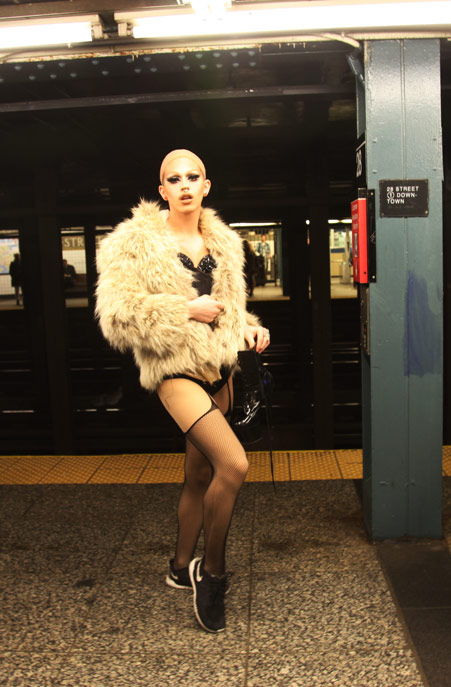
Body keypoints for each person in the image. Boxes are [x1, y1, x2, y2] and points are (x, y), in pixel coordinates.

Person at [95, 149, 270, 633]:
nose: (185, 185)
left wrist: (248, 328)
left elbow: (230, 308)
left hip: (222, 371)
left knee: (198, 475)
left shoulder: (225, 242)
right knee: (233, 465)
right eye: (175, 179)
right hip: (175, 371)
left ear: (206, 186)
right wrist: (183, 311)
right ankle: (211, 574)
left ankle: (177, 566)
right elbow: (116, 317)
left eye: (193, 177)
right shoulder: (133, 243)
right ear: (163, 190)